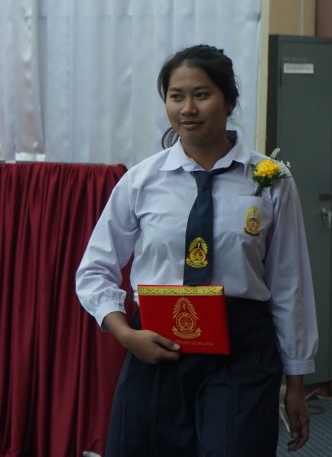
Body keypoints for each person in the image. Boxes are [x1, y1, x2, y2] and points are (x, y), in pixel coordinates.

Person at [75, 44, 317, 456]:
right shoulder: (142, 181)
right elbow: (94, 269)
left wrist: (295, 382)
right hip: (156, 345)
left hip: (241, 350)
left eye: (202, 95)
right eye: (176, 96)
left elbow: (290, 283)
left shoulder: (271, 181)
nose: (188, 108)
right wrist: (126, 334)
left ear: (229, 101)